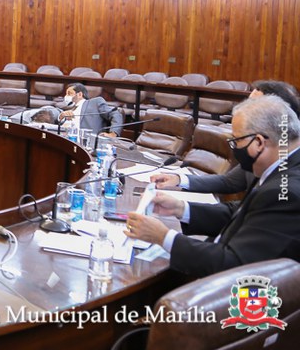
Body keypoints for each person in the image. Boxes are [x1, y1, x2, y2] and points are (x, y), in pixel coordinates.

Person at [125, 95, 300, 278]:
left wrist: (163, 237)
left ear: (258, 143)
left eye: (236, 141)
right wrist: (180, 208)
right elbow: (241, 213)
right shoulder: (279, 166)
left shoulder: (285, 192)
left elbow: (233, 265)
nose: (234, 147)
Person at [152, 79, 300, 194]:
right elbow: (230, 182)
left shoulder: (290, 180)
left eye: (254, 105)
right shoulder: (259, 151)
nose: (246, 108)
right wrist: (179, 180)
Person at [58, 83, 123, 137]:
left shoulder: (95, 103)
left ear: (80, 94)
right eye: (66, 94)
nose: (66, 96)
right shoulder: (68, 107)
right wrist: (61, 117)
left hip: (87, 141)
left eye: (69, 93)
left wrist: (113, 134)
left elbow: (116, 114)